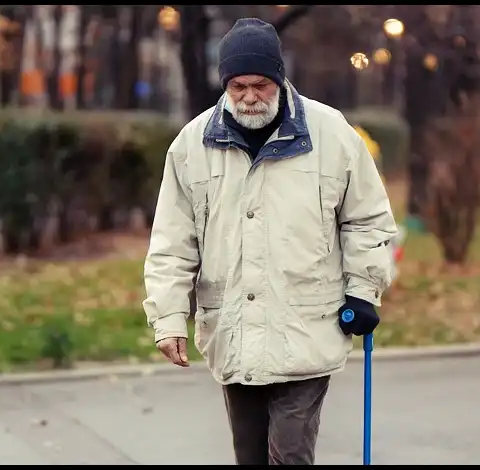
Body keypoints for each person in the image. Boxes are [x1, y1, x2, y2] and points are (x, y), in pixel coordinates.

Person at [143, 17, 398, 465]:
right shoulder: (192, 145)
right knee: (250, 457)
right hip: (233, 331)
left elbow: (368, 220)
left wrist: (363, 290)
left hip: (309, 327)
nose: (248, 96)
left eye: (259, 84)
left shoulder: (331, 133)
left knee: (291, 453)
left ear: (278, 79)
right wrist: (167, 318)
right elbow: (172, 240)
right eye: (237, 86)